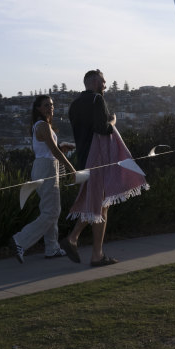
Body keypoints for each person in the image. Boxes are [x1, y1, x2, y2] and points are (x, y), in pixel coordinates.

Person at [61, 69, 148, 267]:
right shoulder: (97, 100)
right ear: (93, 81)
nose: (105, 86)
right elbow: (103, 129)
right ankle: (94, 254)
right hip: (97, 159)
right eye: (103, 82)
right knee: (102, 205)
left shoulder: (74, 105)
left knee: (96, 202)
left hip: (83, 159)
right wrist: (113, 120)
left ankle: (76, 239)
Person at [10, 95, 77, 264]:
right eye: (46, 105)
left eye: (52, 105)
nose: (50, 108)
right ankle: (20, 240)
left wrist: (62, 147)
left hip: (44, 166)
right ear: (38, 108)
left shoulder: (42, 126)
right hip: (46, 168)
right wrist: (71, 168)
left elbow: (50, 150)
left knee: (50, 209)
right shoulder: (43, 126)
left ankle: (52, 248)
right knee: (52, 211)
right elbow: (53, 151)